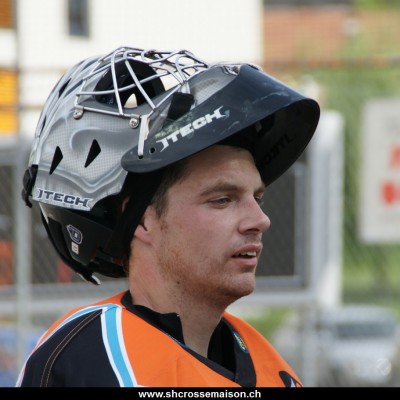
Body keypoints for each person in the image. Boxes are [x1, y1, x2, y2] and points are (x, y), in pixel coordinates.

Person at [17, 46, 320, 387]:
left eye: (257, 197)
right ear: (141, 220)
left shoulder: (275, 370)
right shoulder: (88, 359)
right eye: (222, 199)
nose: (260, 220)